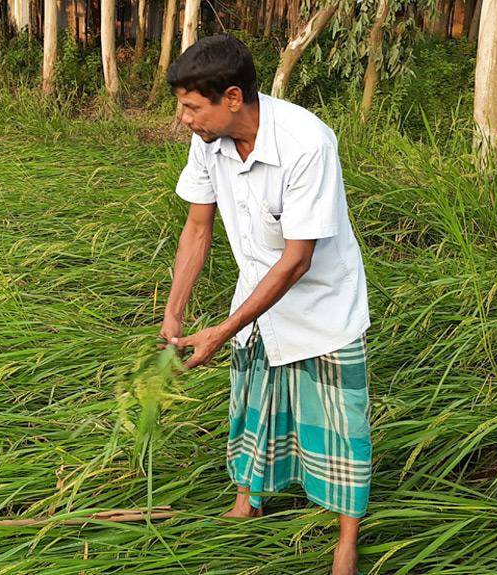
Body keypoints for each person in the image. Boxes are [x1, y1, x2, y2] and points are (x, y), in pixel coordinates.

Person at [159, 34, 372, 575]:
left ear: (233, 97)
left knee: (339, 421)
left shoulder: (306, 143)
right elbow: (197, 226)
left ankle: (346, 541)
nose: (183, 118)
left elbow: (298, 260)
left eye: (191, 106)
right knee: (253, 404)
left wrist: (222, 330)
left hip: (323, 307)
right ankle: (247, 500)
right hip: (256, 295)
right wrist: (174, 314)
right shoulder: (209, 140)